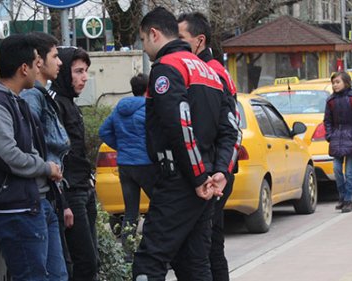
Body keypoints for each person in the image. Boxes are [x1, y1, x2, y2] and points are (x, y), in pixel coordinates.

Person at [133, 7, 238, 281]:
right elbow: (231, 130)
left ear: (154, 34)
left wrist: (198, 176)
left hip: (180, 180)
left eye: (143, 40)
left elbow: (180, 126)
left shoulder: (167, 68)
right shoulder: (212, 72)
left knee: (149, 262)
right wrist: (220, 173)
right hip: (206, 184)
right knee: (194, 263)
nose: (144, 48)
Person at [0, 34, 68, 280]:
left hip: (36, 204)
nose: (39, 68)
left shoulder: (16, 101)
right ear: (24, 68)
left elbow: (30, 148)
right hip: (15, 211)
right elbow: (8, 155)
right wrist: (45, 168)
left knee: (57, 275)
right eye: (36, 62)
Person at [177, 12, 242, 281]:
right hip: (212, 169)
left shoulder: (212, 71)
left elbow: (230, 127)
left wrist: (219, 172)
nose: (175, 44)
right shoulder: (203, 68)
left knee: (206, 248)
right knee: (210, 244)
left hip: (214, 171)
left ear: (199, 41)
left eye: (181, 38)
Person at [20, 32, 74, 271]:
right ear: (38, 61)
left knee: (58, 271)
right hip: (39, 195)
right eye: (55, 56)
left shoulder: (42, 95)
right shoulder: (33, 96)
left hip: (48, 194)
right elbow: (27, 141)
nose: (60, 61)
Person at [98, 73, 158, 261]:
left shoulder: (119, 110)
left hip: (125, 165)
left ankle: (127, 254)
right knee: (158, 207)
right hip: (146, 164)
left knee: (130, 211)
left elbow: (103, 131)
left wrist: (121, 147)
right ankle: (156, 250)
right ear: (148, 89)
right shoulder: (150, 109)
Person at [53, 46, 98, 280]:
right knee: (84, 261)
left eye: (86, 71)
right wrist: (63, 200)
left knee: (92, 261)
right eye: (78, 71)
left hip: (84, 189)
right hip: (70, 192)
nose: (84, 77)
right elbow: (55, 155)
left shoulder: (70, 102)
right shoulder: (56, 104)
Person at [323, 71, 352, 213]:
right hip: (337, 138)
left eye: (338, 82)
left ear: (346, 83)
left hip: (351, 138)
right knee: (337, 169)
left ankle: (348, 199)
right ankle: (342, 196)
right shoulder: (330, 101)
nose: (335, 85)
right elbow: (327, 120)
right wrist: (330, 135)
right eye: (333, 82)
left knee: (349, 171)